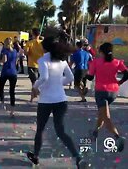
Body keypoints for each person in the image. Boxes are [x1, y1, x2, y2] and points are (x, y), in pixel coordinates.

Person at [26, 36, 85, 168]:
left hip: (46, 101)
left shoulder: (43, 60)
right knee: (61, 131)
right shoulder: (62, 61)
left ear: (44, 47)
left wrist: (35, 86)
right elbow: (70, 77)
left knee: (40, 129)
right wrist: (59, 83)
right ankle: (78, 156)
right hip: (61, 100)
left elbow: (44, 77)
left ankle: (35, 157)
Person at [86, 43, 128, 152]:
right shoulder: (117, 62)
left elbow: (90, 78)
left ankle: (118, 137)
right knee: (102, 113)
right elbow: (126, 74)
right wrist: (120, 82)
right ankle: (95, 132)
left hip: (101, 91)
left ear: (101, 52)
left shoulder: (95, 62)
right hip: (113, 92)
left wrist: (86, 74)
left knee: (106, 116)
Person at [0, 38, 18, 117]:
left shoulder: (4, 51)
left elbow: (4, 61)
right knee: (12, 91)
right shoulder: (15, 51)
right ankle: (12, 111)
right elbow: (16, 62)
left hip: (5, 72)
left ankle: (3, 103)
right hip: (13, 72)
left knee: (1, 88)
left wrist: (0, 60)